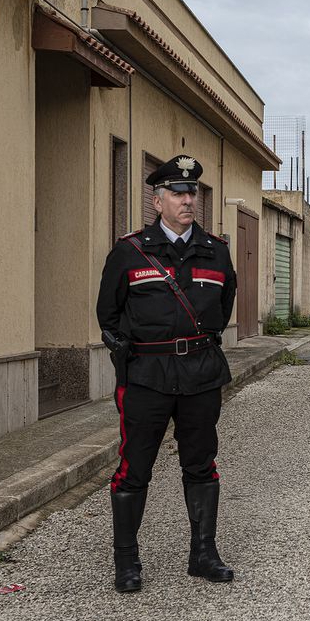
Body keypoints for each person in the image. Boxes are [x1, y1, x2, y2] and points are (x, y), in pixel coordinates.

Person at [96, 154, 237, 593]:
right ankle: (126, 562)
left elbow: (223, 306)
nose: (187, 199)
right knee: (135, 466)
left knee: (201, 463)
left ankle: (203, 553)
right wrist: (131, 356)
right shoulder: (130, 251)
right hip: (147, 376)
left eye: (191, 192)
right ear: (156, 202)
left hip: (199, 373)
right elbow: (109, 314)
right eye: (177, 192)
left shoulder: (216, 251)